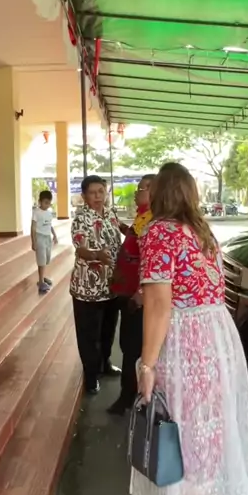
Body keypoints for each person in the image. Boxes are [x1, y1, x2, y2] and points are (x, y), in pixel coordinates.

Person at [132, 163, 248, 495]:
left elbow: (159, 304)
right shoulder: (202, 232)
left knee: (180, 471)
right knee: (198, 460)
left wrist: (146, 365)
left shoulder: (160, 233)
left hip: (186, 352)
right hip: (216, 348)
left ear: (159, 195)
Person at [70, 175, 123, 395]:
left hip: (111, 285)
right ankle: (91, 376)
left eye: (101, 191)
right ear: (84, 196)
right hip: (87, 289)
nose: (98, 196)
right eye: (92, 193)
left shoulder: (110, 214)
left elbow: (121, 232)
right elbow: (80, 248)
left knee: (108, 330)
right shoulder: (81, 218)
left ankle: (105, 363)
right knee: (89, 335)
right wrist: (96, 255)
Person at [108, 174, 155, 415]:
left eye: (143, 188)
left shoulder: (153, 220)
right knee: (129, 345)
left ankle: (132, 396)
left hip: (140, 297)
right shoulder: (142, 216)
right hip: (128, 291)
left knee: (133, 347)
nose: (138, 192)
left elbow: (149, 261)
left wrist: (139, 292)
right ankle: (130, 394)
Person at [31, 189, 58, 295]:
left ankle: (42, 277)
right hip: (39, 237)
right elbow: (33, 228)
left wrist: (54, 235)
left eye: (49, 203)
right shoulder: (36, 212)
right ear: (40, 201)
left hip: (47, 238)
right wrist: (33, 241)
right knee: (41, 259)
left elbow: (50, 225)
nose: (47, 205)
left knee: (46, 259)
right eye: (45, 202)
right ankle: (41, 281)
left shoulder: (49, 213)